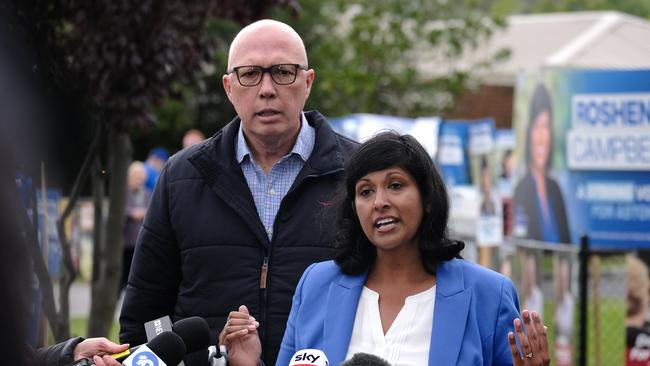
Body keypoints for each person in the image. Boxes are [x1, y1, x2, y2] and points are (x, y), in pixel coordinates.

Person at [118, 19, 357, 365]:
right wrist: (177, 356)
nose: (267, 89)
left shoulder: (359, 176)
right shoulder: (182, 177)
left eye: (283, 72)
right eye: (250, 74)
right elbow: (148, 311)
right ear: (229, 87)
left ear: (308, 82)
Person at [221, 132, 549, 365]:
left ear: (429, 200)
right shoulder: (317, 285)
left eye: (395, 185)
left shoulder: (488, 295)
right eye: (365, 191)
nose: (380, 202)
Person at [512, 83, 570, 244]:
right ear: (528, 132)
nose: (541, 136)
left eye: (545, 126)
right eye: (536, 126)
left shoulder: (555, 189)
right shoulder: (521, 190)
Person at [120, 161, 151, 293]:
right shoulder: (122, 193)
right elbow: (117, 212)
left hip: (143, 243)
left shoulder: (148, 194)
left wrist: (144, 212)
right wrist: (131, 213)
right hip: (126, 243)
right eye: (135, 176)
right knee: (123, 276)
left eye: (140, 177)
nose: (138, 179)